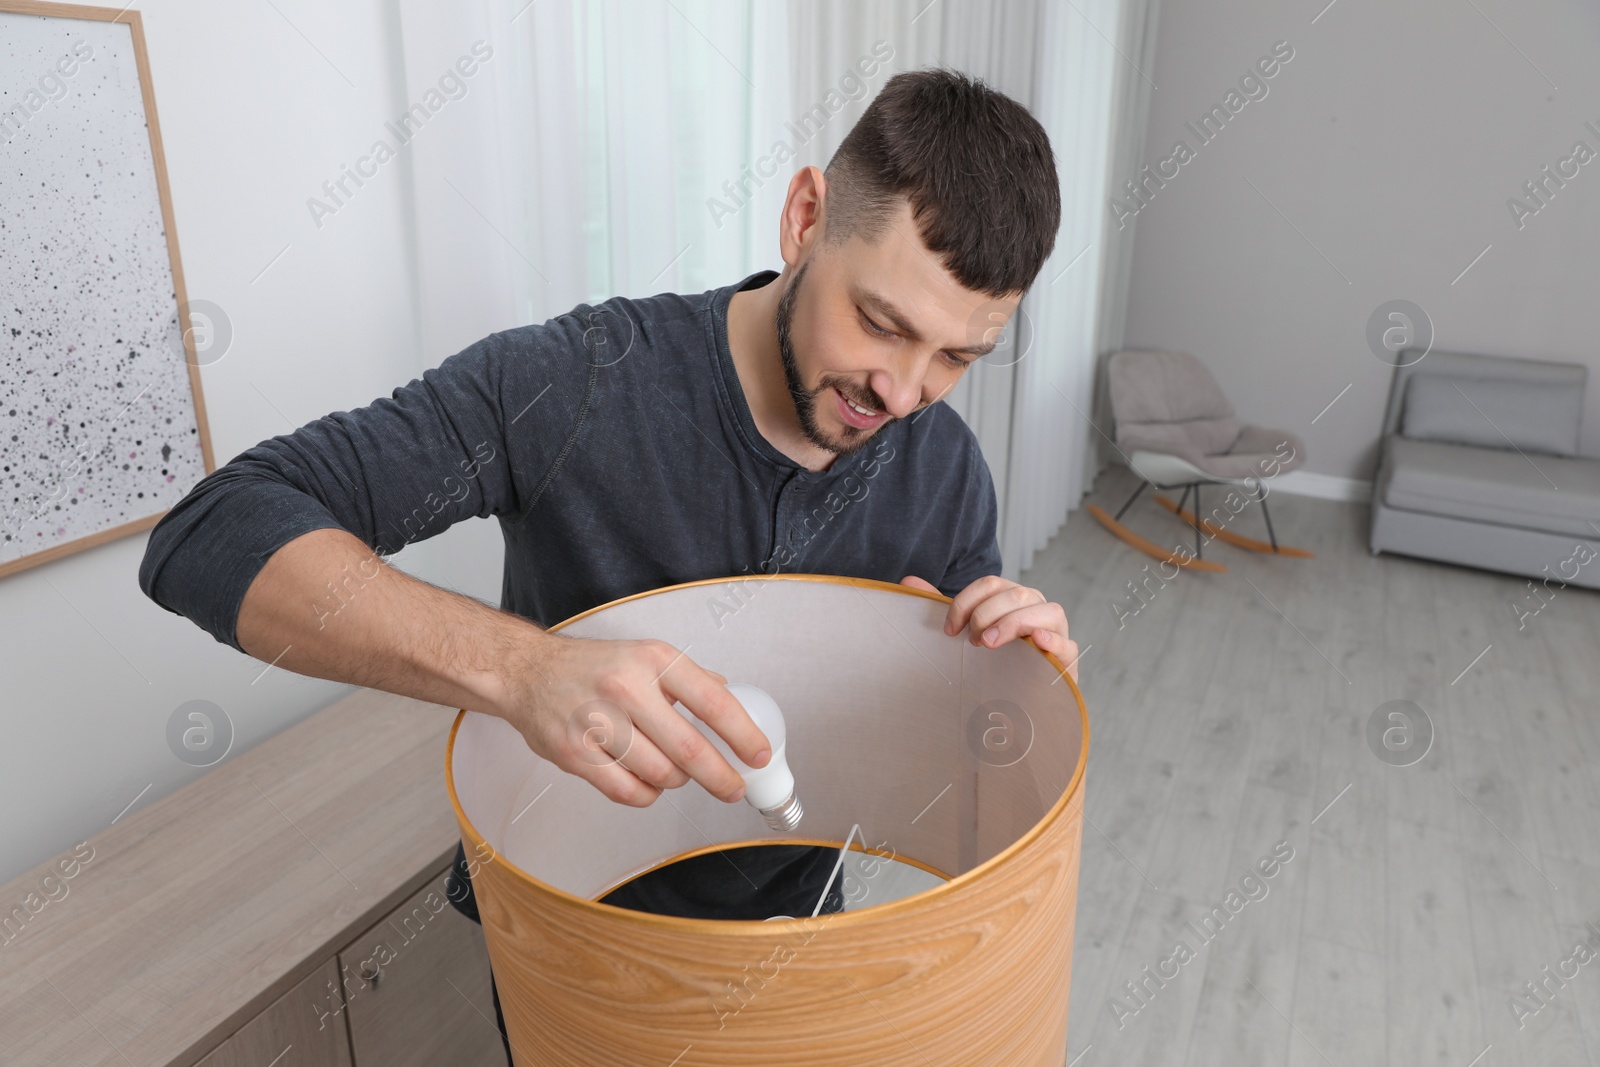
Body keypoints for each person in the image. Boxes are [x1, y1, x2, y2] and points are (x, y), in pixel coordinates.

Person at [139, 66, 1077, 1058]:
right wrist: (525, 667)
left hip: (803, 945)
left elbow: (971, 751)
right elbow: (212, 531)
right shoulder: (576, 383)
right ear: (804, 216)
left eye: (956, 357)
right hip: (573, 949)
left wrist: (1018, 679)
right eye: (881, 322)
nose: (900, 390)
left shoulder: (944, 468)